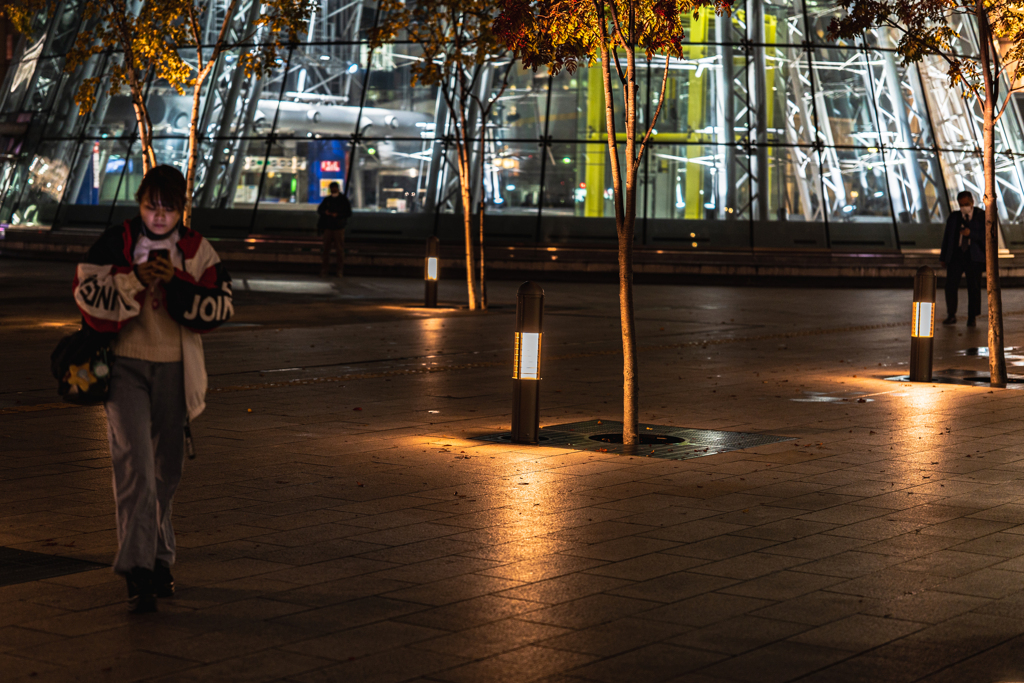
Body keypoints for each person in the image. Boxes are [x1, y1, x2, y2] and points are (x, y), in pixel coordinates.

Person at [73, 165, 233, 613]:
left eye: (168, 208)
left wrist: (175, 280)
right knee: (135, 468)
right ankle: (139, 568)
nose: (159, 216)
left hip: (176, 369)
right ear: (139, 204)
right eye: (151, 206)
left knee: (166, 470)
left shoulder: (197, 249)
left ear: (181, 209)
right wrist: (135, 279)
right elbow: (86, 291)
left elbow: (220, 303)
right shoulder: (117, 241)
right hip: (124, 366)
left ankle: (160, 556)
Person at [940, 190, 986, 327]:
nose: (964, 207)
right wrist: (944, 257)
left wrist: (971, 233)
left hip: (974, 256)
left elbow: (986, 235)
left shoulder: (981, 216)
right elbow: (947, 237)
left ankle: (972, 317)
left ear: (972, 202)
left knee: (974, 287)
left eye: (966, 204)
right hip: (957, 255)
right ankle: (951, 314)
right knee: (950, 285)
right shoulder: (954, 217)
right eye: (961, 205)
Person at [317, 181, 353, 277]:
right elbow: (348, 213)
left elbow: (320, 210)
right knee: (337, 249)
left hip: (333, 227)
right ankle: (338, 270)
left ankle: (326, 270)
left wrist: (329, 213)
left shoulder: (329, 200)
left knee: (330, 249)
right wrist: (337, 215)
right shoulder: (342, 200)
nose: (333, 190)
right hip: (336, 227)